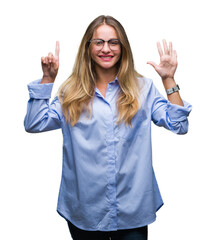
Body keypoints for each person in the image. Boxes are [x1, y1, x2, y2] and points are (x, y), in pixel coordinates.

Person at [24, 15, 192, 240]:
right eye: (99, 42)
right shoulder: (71, 92)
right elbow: (35, 123)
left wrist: (169, 80)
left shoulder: (143, 88)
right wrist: (47, 80)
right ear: (88, 47)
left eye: (113, 42)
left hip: (132, 209)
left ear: (123, 48)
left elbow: (179, 125)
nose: (106, 49)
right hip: (85, 210)